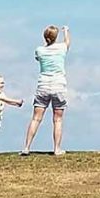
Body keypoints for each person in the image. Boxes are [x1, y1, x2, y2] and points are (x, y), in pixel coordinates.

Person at [23, 25, 71, 155]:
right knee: (58, 119)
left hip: (43, 86)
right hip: (58, 86)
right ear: (56, 37)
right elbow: (67, 42)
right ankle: (57, 149)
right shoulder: (61, 48)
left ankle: (26, 147)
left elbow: (37, 58)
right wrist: (66, 31)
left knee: (36, 118)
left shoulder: (40, 50)